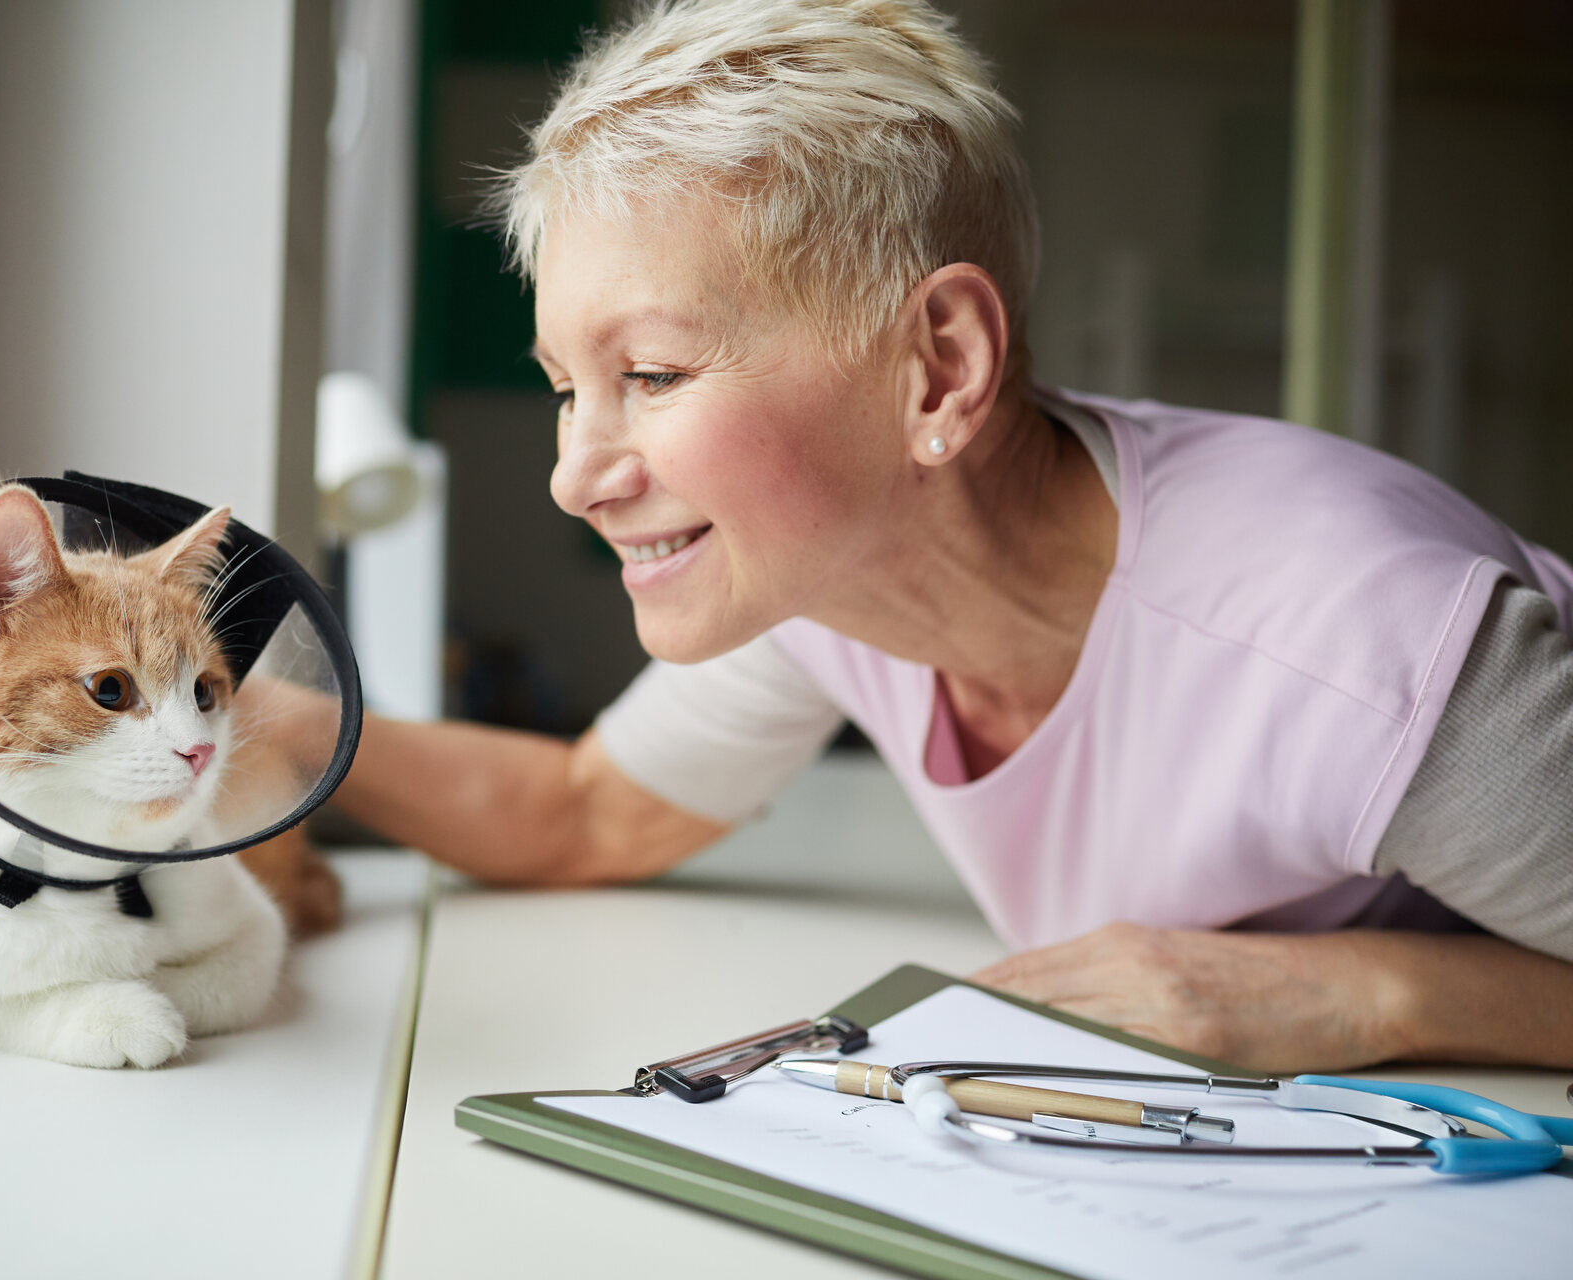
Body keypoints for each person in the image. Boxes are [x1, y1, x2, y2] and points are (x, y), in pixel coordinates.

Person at [302, 0, 1573, 1072]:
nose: (573, 477)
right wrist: (266, 738)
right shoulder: (830, 576)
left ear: (938, 367)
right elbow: (587, 813)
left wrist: (1374, 994)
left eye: (658, 371)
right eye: (567, 385)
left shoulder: (1379, 653)